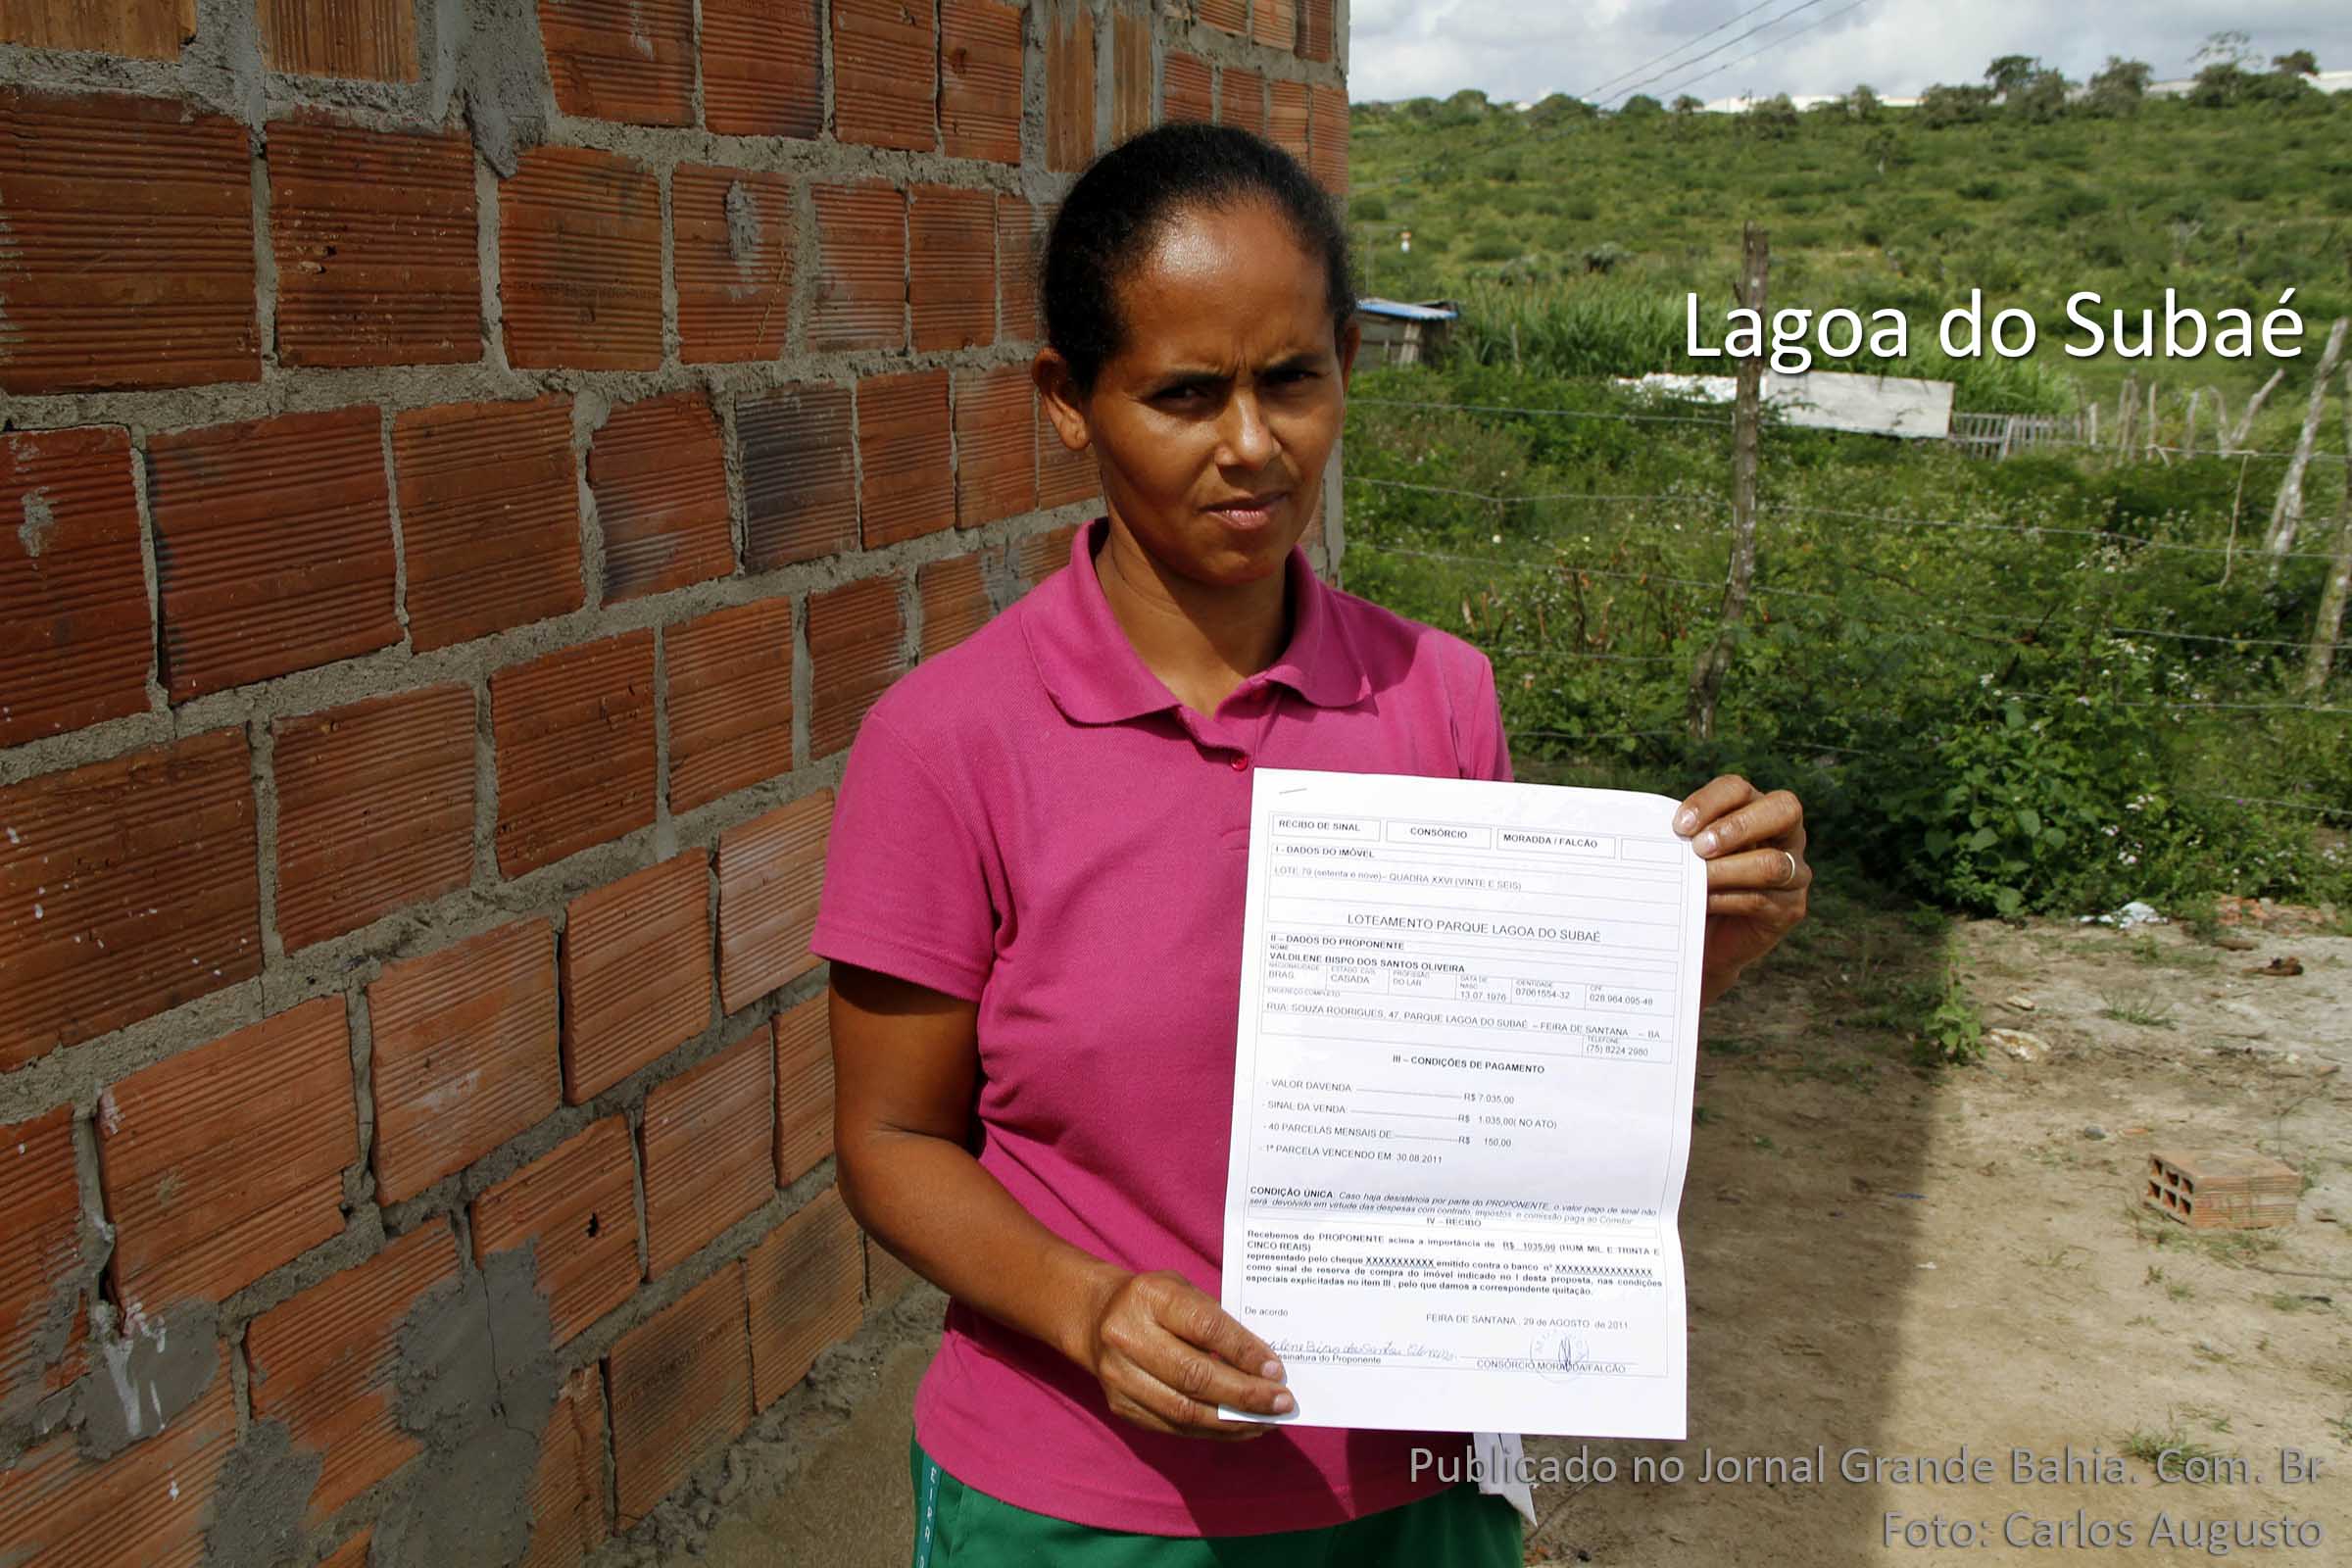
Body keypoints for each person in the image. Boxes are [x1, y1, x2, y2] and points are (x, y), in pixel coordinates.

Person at [809, 122, 1811, 1567]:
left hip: (1412, 1479)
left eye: (1290, 378)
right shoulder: (950, 741)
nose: (1251, 445)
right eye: (1183, 393)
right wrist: (1089, 1308)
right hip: (1082, 1503)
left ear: (1346, 358)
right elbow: (891, 1140)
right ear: (1068, 402)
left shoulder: (1437, 696)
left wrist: (1679, 955)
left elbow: (1493, 1072)